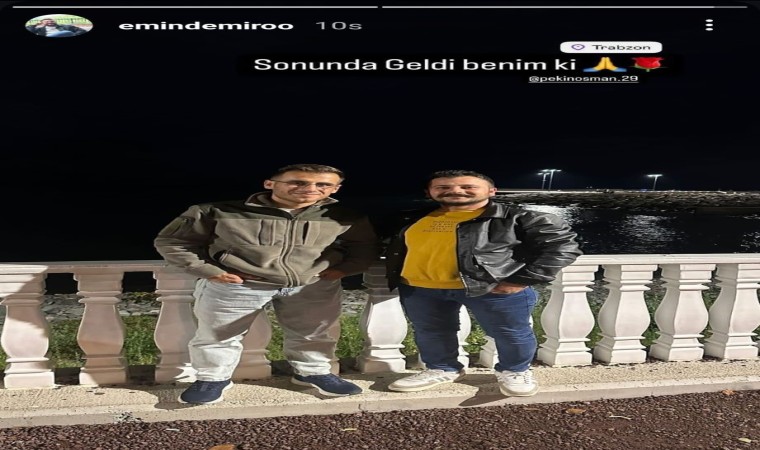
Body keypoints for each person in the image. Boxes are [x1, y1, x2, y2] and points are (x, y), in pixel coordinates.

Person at [154, 163, 378, 404]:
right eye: (298, 182)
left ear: (335, 189)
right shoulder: (215, 211)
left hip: (312, 284)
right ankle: (212, 379)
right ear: (270, 184)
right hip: (239, 284)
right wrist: (210, 271)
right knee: (217, 335)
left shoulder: (343, 217)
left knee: (313, 333)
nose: (311, 188)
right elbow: (172, 242)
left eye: (323, 184)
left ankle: (313, 373)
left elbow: (364, 247)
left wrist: (344, 269)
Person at [384, 170, 582, 397]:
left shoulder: (519, 218)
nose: (455, 191)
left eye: (467, 187)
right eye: (443, 187)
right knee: (431, 332)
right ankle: (442, 368)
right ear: (429, 192)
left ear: (491, 191)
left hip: (491, 288)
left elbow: (563, 248)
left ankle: (515, 371)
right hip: (420, 289)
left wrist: (521, 280)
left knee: (510, 333)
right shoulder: (411, 218)